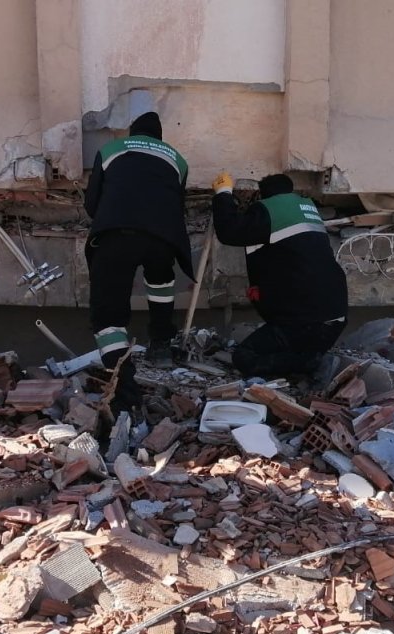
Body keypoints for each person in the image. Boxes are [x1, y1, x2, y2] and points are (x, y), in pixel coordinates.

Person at [83, 111, 191, 410]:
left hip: (116, 234)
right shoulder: (177, 159)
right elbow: (176, 203)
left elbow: (92, 203)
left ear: (132, 133)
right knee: (160, 279)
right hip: (163, 236)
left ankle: (124, 388)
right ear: (159, 138)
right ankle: (161, 345)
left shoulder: (110, 149)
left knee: (109, 316)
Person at [210, 173, 348, 377]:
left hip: (305, 322)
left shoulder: (269, 210)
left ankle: (310, 363)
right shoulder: (308, 209)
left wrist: (223, 193)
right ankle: (306, 361)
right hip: (334, 317)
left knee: (244, 357)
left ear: (263, 195)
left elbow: (230, 231)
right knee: (285, 348)